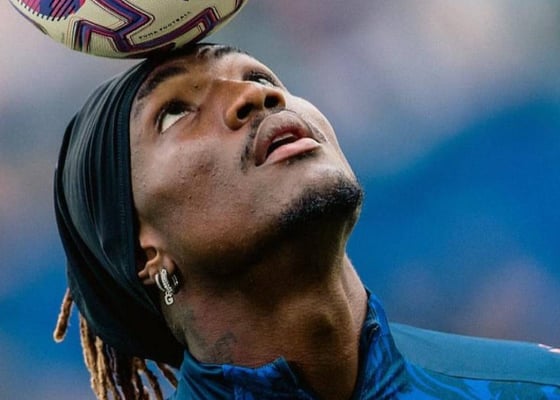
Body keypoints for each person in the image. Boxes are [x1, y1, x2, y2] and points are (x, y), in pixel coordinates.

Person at [53, 43, 560, 400]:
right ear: (146, 253)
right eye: (174, 112)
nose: (256, 97)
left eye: (260, 78)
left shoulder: (539, 385)